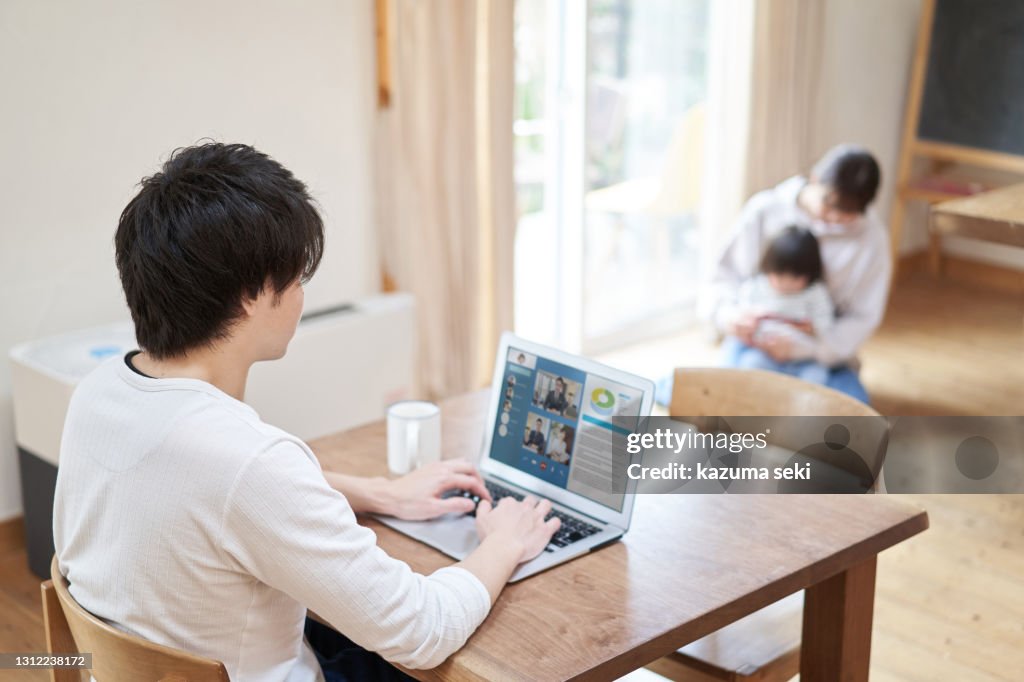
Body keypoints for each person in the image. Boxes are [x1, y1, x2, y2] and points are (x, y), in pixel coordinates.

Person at [52, 143, 560, 682]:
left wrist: (379, 493)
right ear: (250, 296)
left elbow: (208, 487)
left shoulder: (98, 393)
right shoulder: (249, 463)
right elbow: (422, 632)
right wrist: (504, 543)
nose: (300, 296)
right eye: (296, 279)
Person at [706, 144, 890, 404]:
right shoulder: (766, 209)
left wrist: (814, 349)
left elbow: (863, 315)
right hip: (755, 341)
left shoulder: (871, 239)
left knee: (847, 427)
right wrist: (729, 316)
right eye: (829, 204)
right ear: (814, 179)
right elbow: (722, 276)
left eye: (848, 213)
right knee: (715, 401)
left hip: (823, 353)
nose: (835, 217)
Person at [730, 226, 833, 385]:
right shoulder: (756, 287)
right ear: (768, 267)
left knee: (818, 377)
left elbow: (825, 325)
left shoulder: (815, 293)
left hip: (803, 360)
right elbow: (742, 315)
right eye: (779, 275)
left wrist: (810, 330)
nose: (786, 284)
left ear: (810, 273)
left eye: (795, 278)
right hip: (764, 354)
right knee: (749, 365)